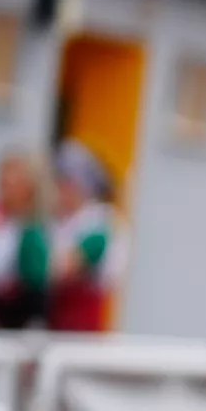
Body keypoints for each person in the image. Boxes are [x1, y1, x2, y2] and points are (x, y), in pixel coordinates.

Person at [0, 147, 52, 331]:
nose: (1, 185)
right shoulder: (3, 228)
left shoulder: (31, 235)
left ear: (28, 188)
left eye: (8, 181)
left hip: (9, 331)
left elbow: (31, 293)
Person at [44, 141, 124, 333]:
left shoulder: (99, 223)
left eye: (64, 182)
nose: (58, 189)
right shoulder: (56, 220)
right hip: (52, 322)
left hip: (80, 326)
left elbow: (63, 268)